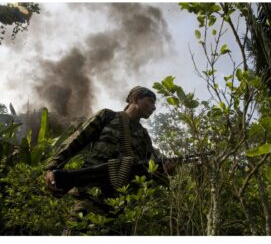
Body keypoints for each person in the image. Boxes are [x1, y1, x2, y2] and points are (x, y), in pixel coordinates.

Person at [44, 86, 175, 235]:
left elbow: (149, 170)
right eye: (150, 101)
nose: (154, 108)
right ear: (136, 99)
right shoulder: (108, 116)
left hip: (121, 207)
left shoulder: (144, 136)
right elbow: (75, 141)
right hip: (92, 196)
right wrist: (51, 167)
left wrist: (166, 171)